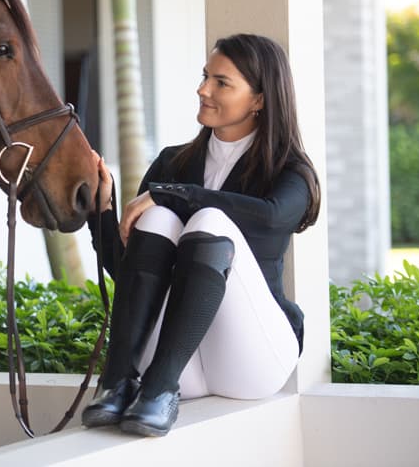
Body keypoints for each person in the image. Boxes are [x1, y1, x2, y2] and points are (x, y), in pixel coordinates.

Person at [82, 33, 321, 437]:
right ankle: (120, 381)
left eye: (221, 82)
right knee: (157, 221)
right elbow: (132, 275)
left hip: (252, 360)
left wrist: (176, 196)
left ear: (259, 100)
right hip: (181, 366)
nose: (203, 89)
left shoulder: (289, 170)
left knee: (208, 220)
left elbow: (269, 218)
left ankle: (156, 390)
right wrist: (100, 210)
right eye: (205, 76)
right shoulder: (172, 163)